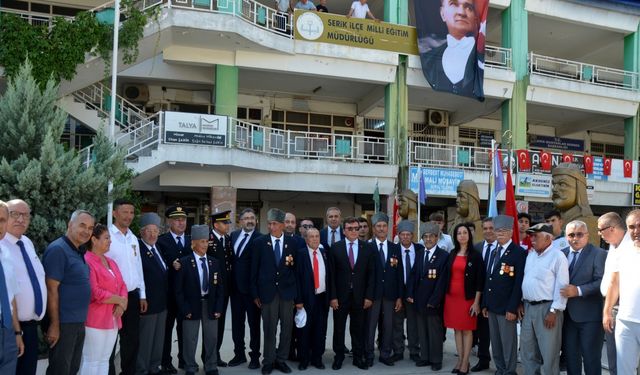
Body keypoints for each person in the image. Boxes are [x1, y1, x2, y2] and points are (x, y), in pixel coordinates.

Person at [43, 210, 95, 375]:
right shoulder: (59, 249)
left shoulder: (78, 250)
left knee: (72, 369)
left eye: (90, 228)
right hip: (64, 324)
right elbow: (51, 289)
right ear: (69, 224)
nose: (86, 231)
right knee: (60, 370)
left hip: (78, 322)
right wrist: (54, 325)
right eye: (82, 225)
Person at [251, 208, 299, 375]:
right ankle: (269, 361)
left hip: (287, 294)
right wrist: (255, 294)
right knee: (269, 329)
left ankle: (281, 359)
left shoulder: (293, 243)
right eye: (269, 223)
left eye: (275, 224)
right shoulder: (259, 243)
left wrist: (296, 296)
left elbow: (296, 271)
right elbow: (254, 271)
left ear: (282, 225)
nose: (271, 227)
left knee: (287, 329)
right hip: (267, 294)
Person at [0, 199, 46, 375]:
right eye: (15, 214)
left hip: (29, 328)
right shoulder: (2, 245)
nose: (21, 219)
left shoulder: (26, 243)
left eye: (25, 215)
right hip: (10, 327)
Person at [519, 223, 568, 375]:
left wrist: (554, 311)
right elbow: (527, 280)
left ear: (548, 238)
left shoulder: (558, 256)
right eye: (531, 236)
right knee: (528, 351)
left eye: (536, 236)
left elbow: (562, 286)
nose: (532, 239)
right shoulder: (531, 255)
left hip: (547, 309)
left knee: (549, 354)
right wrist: (521, 301)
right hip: (528, 308)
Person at [176, 225, 224, 375]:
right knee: (190, 338)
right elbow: (178, 290)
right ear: (194, 243)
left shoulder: (214, 262)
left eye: (207, 242)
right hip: (191, 306)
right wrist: (185, 309)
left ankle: (211, 365)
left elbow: (220, 289)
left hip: (210, 304)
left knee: (211, 338)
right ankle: (190, 366)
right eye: (202, 241)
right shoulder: (184, 262)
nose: (205, 245)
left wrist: (218, 308)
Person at [328, 216, 376, 370]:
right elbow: (331, 275)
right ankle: (339, 357)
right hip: (340, 298)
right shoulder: (335, 248)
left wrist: (369, 296)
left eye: (357, 228)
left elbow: (371, 275)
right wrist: (333, 297)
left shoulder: (367, 248)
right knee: (339, 329)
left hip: (360, 297)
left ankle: (358, 357)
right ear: (344, 231)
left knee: (358, 328)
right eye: (350, 228)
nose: (355, 231)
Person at [481, 215, 526, 375]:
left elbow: (518, 284)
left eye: (503, 231)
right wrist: (485, 303)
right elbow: (489, 279)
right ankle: (500, 368)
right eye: (497, 230)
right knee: (496, 341)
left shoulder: (518, 253)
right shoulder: (494, 251)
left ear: (511, 232)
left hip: (507, 307)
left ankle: (509, 370)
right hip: (492, 305)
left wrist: (512, 308)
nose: (499, 233)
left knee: (508, 342)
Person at [560, 221, 606, 375]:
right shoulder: (562, 253)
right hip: (567, 317)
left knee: (591, 358)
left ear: (587, 235)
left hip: (590, 317)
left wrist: (578, 290)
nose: (575, 238)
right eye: (571, 235)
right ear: (565, 237)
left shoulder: (598, 254)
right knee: (571, 358)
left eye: (579, 234)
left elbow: (602, 282)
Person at [81, 224, 128, 375]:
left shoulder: (111, 262)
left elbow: (122, 284)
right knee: (92, 360)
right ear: (94, 240)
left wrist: (122, 304)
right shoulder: (87, 261)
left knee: (104, 360)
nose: (110, 241)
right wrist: (119, 300)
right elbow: (94, 292)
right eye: (106, 238)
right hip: (95, 319)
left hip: (113, 317)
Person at [106, 199, 146, 375]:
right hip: (111, 298)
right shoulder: (106, 236)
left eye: (131, 212)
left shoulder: (133, 238)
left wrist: (142, 294)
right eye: (124, 212)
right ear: (115, 213)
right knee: (110, 341)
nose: (129, 216)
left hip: (132, 296)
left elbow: (138, 267)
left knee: (131, 340)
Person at [406, 222, 449, 370]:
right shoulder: (419, 254)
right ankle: (424, 357)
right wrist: (410, 293)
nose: (428, 239)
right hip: (419, 300)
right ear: (422, 238)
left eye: (431, 236)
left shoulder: (444, 256)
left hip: (434, 302)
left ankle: (436, 360)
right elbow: (413, 275)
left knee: (435, 333)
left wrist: (435, 300)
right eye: (426, 236)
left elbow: (443, 281)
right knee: (422, 331)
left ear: (437, 238)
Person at [419, 0, 483, 98]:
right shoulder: (430, 58)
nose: (461, 13)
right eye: (453, 4)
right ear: (442, 13)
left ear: (475, 17)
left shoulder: (481, 57)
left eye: (469, 7)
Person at [444, 223, 484, 375]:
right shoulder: (452, 253)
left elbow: (480, 280)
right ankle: (460, 359)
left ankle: (465, 362)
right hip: (451, 298)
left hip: (467, 299)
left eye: (465, 232)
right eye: (459, 233)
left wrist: (476, 302)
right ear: (455, 236)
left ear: (469, 235)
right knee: (456, 330)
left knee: (467, 330)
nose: (462, 235)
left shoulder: (475, 255)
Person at [603, 209, 640, 375]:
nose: (636, 231)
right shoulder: (623, 250)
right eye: (631, 227)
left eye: (639, 226)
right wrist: (607, 312)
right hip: (625, 321)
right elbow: (614, 282)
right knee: (624, 371)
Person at [156, 205, 191, 373]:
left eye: (183, 219)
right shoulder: (161, 241)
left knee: (185, 329)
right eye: (177, 219)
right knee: (166, 330)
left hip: (186, 295)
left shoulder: (192, 240)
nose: (181, 222)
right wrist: (171, 265)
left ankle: (184, 359)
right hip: (168, 294)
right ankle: (166, 361)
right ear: (169, 221)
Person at [366, 212, 403, 367]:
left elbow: (399, 274)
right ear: (373, 229)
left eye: (384, 226)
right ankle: (368, 354)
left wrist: (399, 296)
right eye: (378, 226)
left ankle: (385, 353)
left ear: (388, 228)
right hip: (372, 295)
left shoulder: (395, 248)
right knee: (370, 326)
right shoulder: (367, 247)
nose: (381, 229)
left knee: (388, 326)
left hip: (390, 295)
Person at [229, 208, 262, 369]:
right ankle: (239, 354)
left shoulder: (261, 238)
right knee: (237, 324)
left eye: (252, 217)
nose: (250, 220)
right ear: (240, 221)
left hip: (252, 292)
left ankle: (255, 356)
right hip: (235, 290)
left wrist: (257, 292)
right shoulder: (234, 236)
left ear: (255, 220)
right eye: (246, 218)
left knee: (254, 325)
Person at [598, 212, 631, 375]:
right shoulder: (612, 245)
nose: (599, 234)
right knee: (613, 358)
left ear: (611, 229)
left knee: (626, 360)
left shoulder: (632, 245)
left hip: (626, 308)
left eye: (600, 230)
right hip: (612, 307)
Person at [137, 213, 169, 375]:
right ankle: (142, 369)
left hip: (162, 303)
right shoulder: (137, 249)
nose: (152, 234)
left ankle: (154, 367)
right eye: (149, 230)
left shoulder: (158, 248)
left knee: (158, 340)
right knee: (146, 340)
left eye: (156, 230)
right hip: (147, 304)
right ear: (142, 232)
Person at [295, 228, 331, 370]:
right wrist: (298, 300)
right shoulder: (301, 254)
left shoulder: (324, 253)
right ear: (306, 239)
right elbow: (297, 279)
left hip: (322, 298)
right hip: (305, 299)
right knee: (304, 332)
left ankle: (317, 358)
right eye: (312, 237)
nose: (315, 239)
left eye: (317, 236)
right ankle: (304, 359)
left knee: (320, 331)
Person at [0, 200, 25, 374]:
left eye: (2, 220)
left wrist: (17, 333)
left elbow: (11, 297)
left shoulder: (6, 254)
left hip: (8, 332)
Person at [207, 210, 234, 367]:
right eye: (225, 223)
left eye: (228, 223)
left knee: (221, 323)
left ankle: (215, 354)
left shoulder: (227, 240)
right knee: (211, 324)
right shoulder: (208, 240)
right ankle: (208, 356)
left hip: (225, 290)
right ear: (216, 225)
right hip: (212, 289)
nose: (227, 226)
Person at [392, 220, 421, 363]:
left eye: (408, 234)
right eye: (402, 234)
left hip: (414, 294)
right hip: (398, 292)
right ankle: (398, 351)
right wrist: (398, 296)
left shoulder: (420, 250)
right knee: (397, 323)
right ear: (398, 235)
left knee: (413, 324)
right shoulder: (393, 250)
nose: (405, 237)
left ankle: (414, 350)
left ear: (412, 235)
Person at [551, 163, 600, 245]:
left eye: (562, 184)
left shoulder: (588, 222)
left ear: (579, 189)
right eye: (553, 184)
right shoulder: (554, 221)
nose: (555, 189)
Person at [470, 217, 496, 372]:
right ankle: (483, 359)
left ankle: (503, 362)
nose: (488, 231)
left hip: (497, 297)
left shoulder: (502, 248)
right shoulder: (477, 248)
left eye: (491, 228)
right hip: (479, 296)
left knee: (499, 334)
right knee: (482, 331)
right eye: (485, 228)